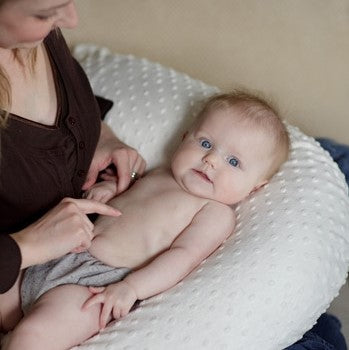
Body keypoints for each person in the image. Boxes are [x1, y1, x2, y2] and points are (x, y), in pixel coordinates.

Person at [3, 91, 290, 349]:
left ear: (255, 187)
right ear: (183, 139)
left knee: (33, 337)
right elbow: (123, 193)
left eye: (234, 162)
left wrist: (132, 288)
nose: (211, 160)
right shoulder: (158, 173)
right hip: (59, 250)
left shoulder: (214, 213)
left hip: (95, 285)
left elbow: (183, 256)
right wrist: (105, 189)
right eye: (205, 143)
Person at [0, 0, 145, 333]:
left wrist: (100, 136)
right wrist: (26, 247)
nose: (71, 20)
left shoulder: (39, 36)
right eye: (45, 12)